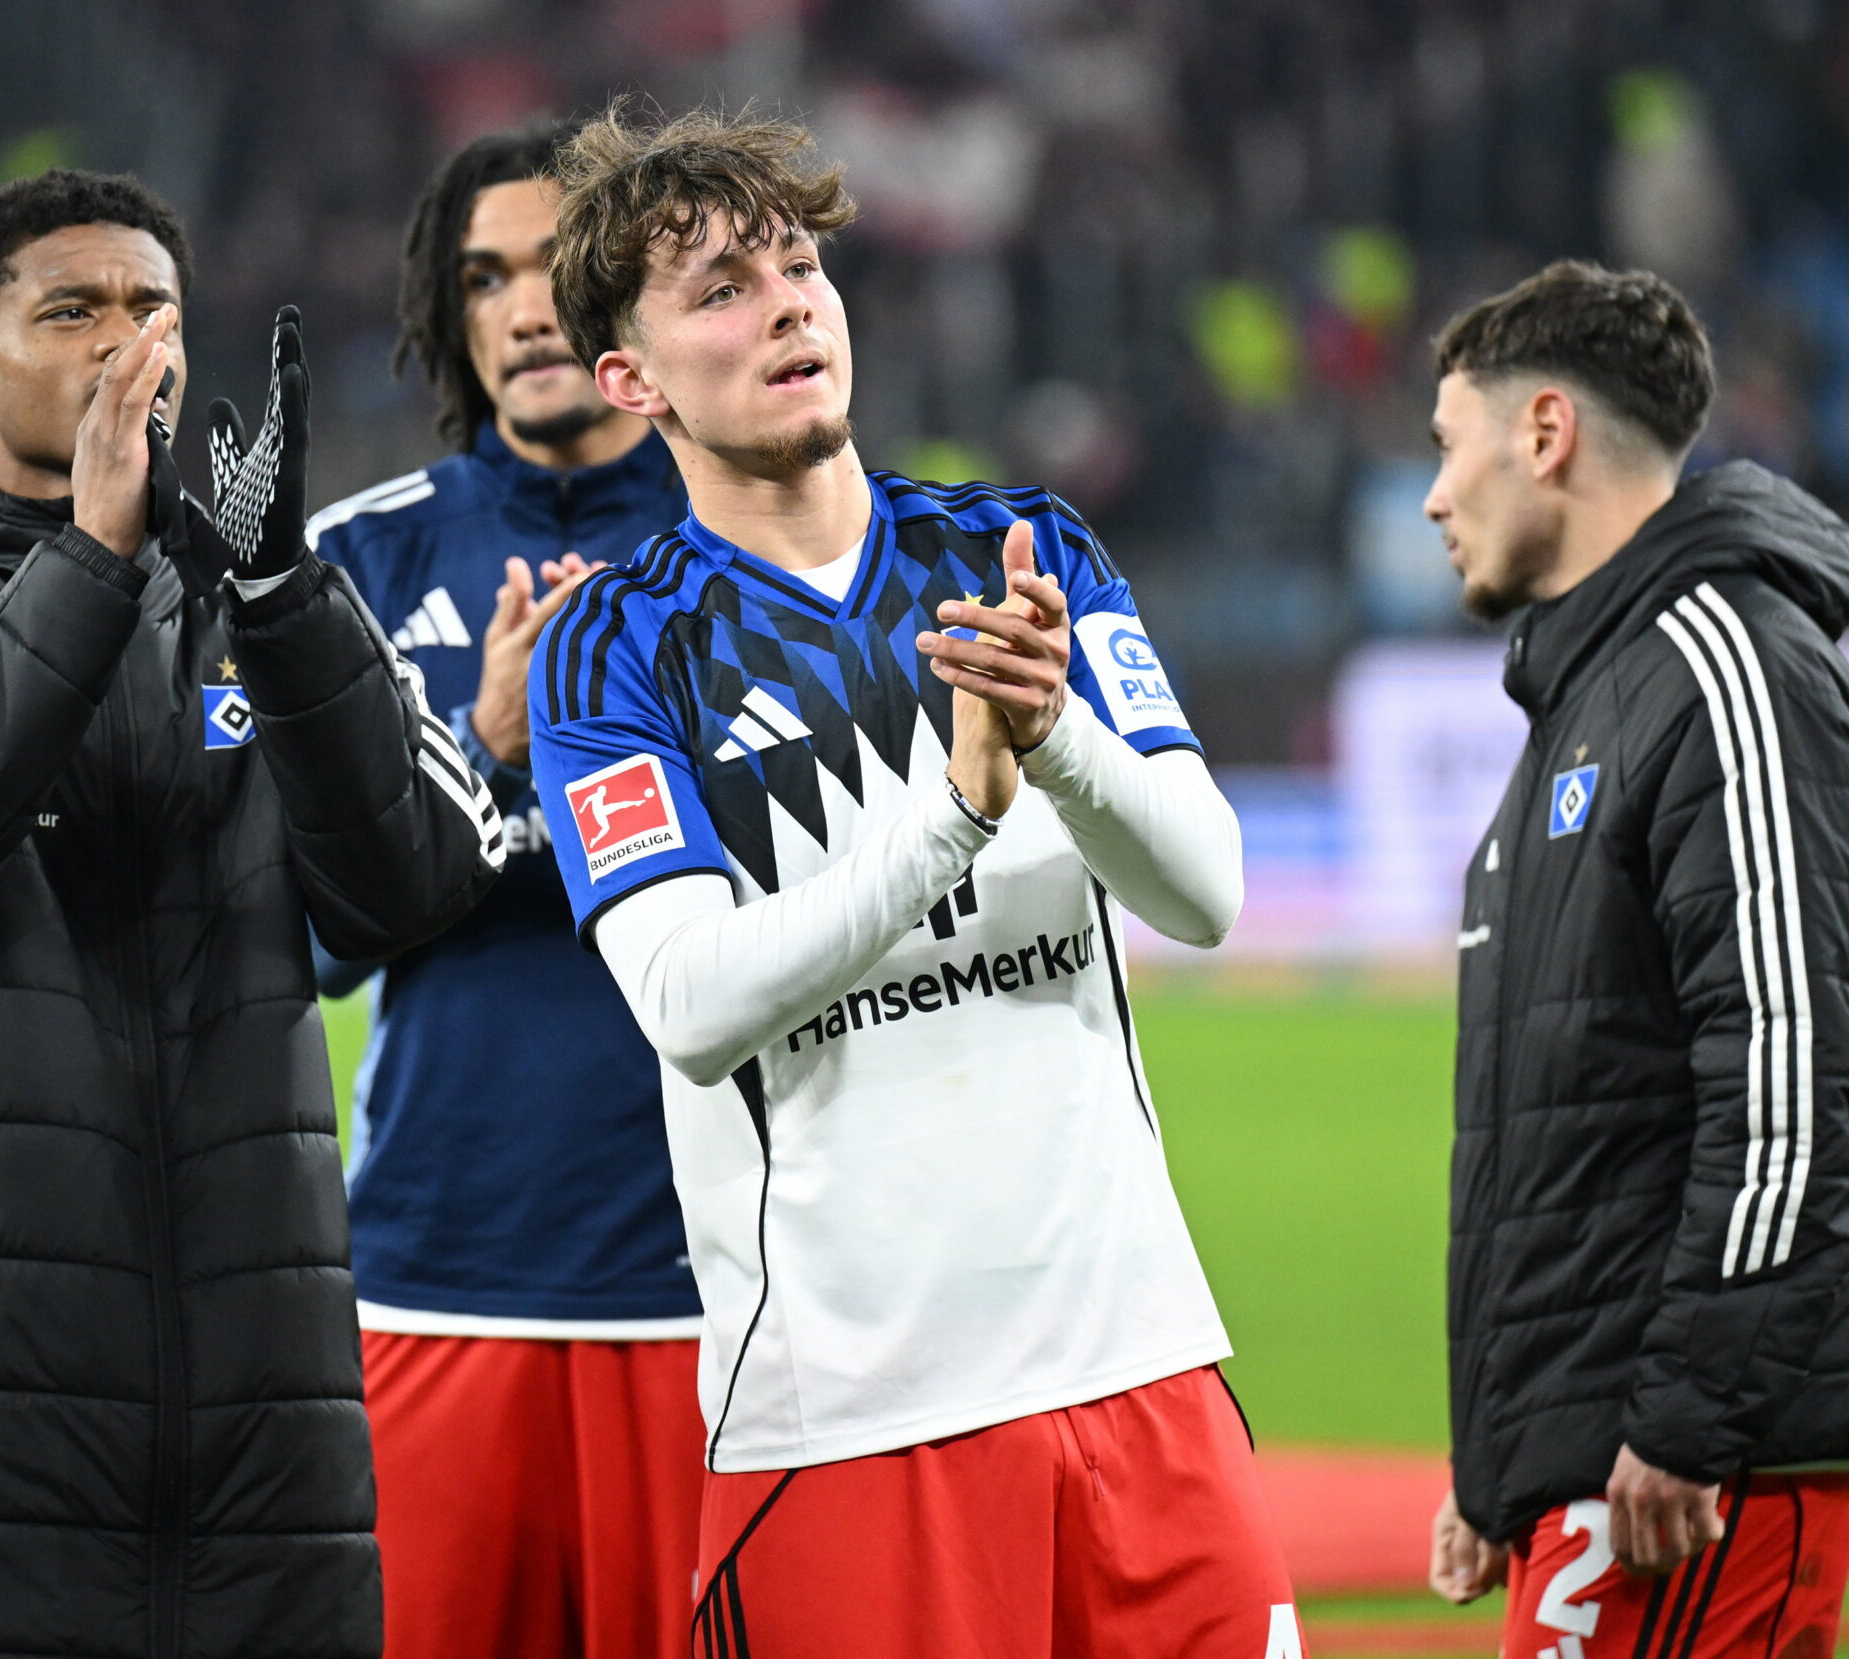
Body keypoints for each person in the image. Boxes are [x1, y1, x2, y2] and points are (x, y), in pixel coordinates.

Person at [527, 106, 1301, 1658]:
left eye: (799, 267)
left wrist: (1056, 736)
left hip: (1142, 1363)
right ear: (630, 380)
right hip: (851, 1419)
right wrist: (952, 815)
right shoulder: (613, 646)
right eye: (723, 290)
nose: (789, 306)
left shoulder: (1023, 551)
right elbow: (689, 1005)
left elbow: (1207, 892)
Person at [0, 169, 503, 1659]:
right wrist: (92, 563)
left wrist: (280, 592)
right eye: (71, 310)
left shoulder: (261, 608)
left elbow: (417, 882)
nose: (123, 341)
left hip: (264, 1419)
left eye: (152, 306)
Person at [1419, 261, 1849, 1657]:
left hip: (1692, 1471)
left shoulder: (1727, 668)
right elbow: (1574, 1132)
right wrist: (1510, 1461)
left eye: (1448, 446)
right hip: (1605, 1458)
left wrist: (1691, 1417)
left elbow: (1793, 1085)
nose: (1433, 497)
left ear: (1545, 433)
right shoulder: (1596, 693)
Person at [307, 121, 701, 1659]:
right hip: (438, 1276)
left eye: (555, 266)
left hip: (719, 1283)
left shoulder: (746, 547)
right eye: (484, 278)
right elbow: (305, 939)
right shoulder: (352, 567)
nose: (524, 308)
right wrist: (479, 752)